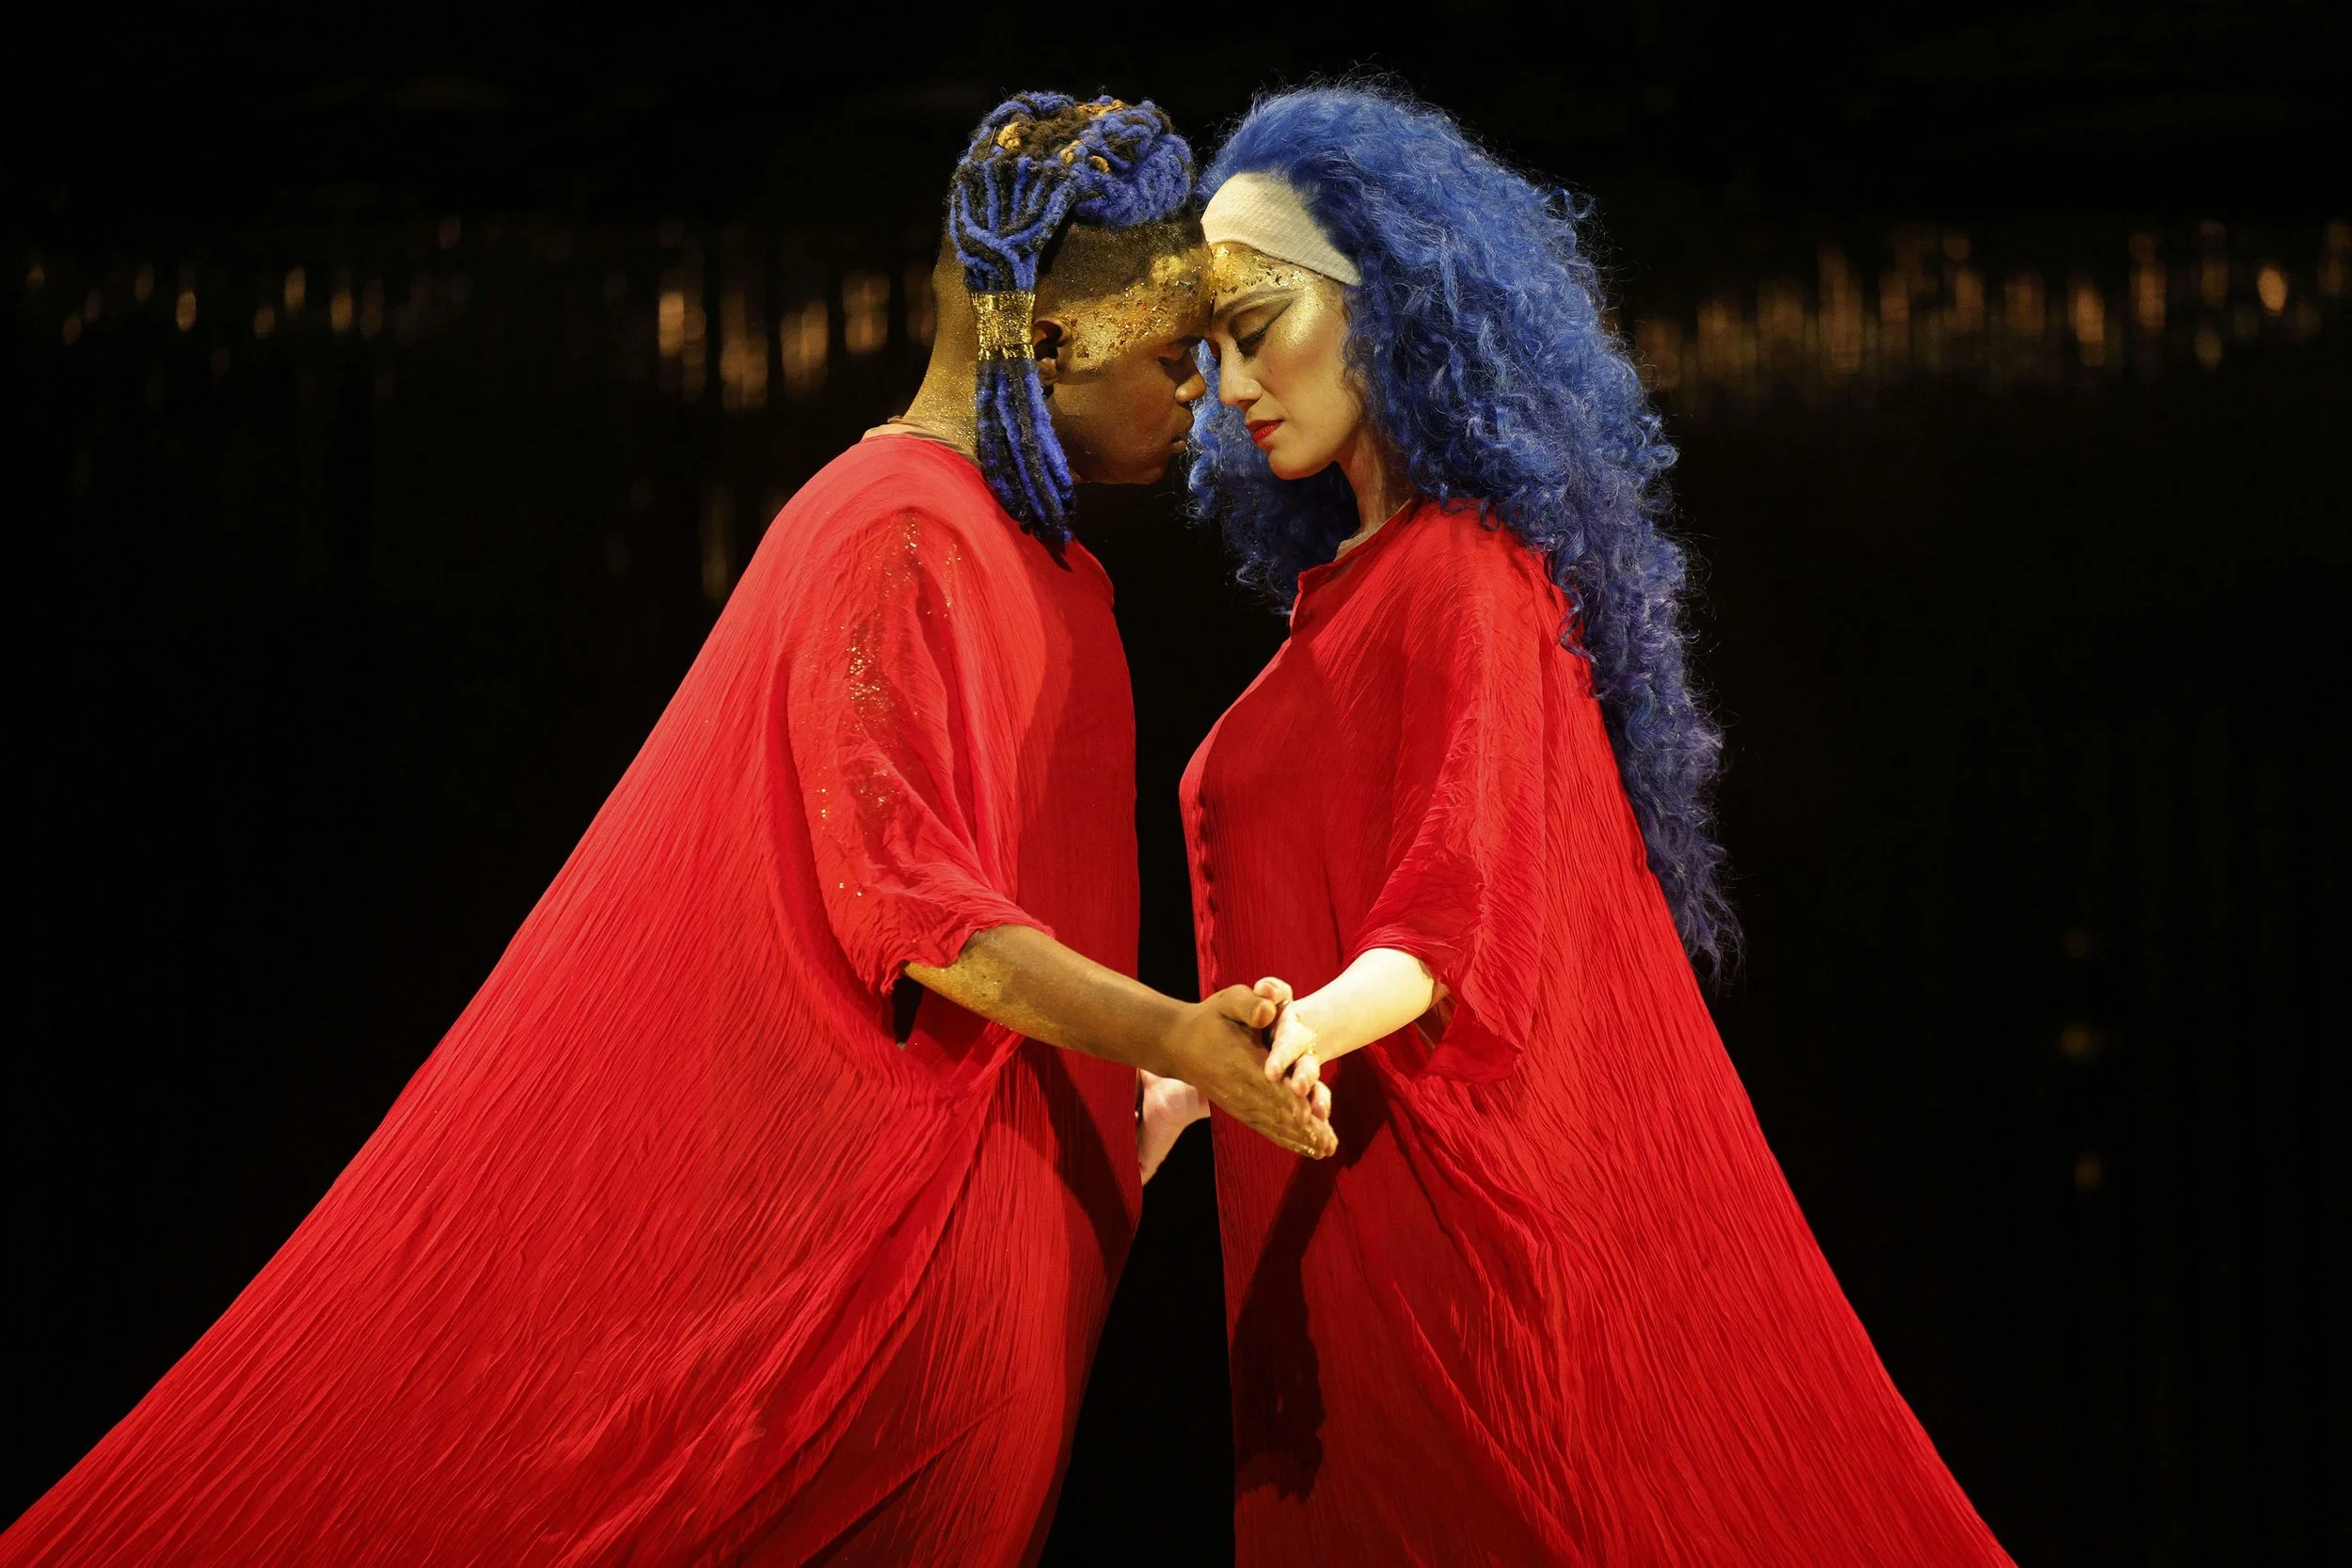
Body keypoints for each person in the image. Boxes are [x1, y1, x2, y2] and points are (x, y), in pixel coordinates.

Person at [1, 91, 1329, 1568]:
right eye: (1168, 358)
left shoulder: (1023, 559)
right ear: (1060, 338)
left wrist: (1147, 1101)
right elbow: (915, 914)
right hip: (899, 1273)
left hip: (998, 1243)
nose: (1197, 393)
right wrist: (1177, 1040)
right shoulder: (901, 529)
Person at [1147, 86, 2014, 1564]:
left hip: (1430, 1214)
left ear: (1387, 301)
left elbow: (1449, 908)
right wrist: (1172, 1077)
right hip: (1313, 1215)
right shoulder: (1340, 607)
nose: (1230, 383)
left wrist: (1283, 1035)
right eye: (1209, 348)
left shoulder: (1469, 577)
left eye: (1257, 324)